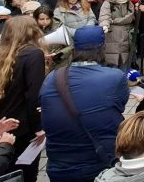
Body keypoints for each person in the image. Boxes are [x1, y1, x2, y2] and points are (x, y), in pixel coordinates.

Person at [40, 25, 129, 182]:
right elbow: (119, 106)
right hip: (99, 163)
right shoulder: (115, 77)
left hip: (59, 167)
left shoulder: (52, 78)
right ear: (102, 48)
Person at [0, 16, 47, 181]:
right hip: (24, 124)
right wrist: (38, 127)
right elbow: (33, 95)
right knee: (26, 171)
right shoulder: (34, 54)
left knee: (8, 169)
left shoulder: (1, 54)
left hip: (2, 120)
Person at [99, 0, 136, 69]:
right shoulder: (107, 3)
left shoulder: (128, 1)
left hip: (127, 32)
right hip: (113, 33)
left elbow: (131, 16)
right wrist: (105, 25)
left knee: (126, 56)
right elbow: (104, 16)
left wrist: (114, 21)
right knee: (114, 57)